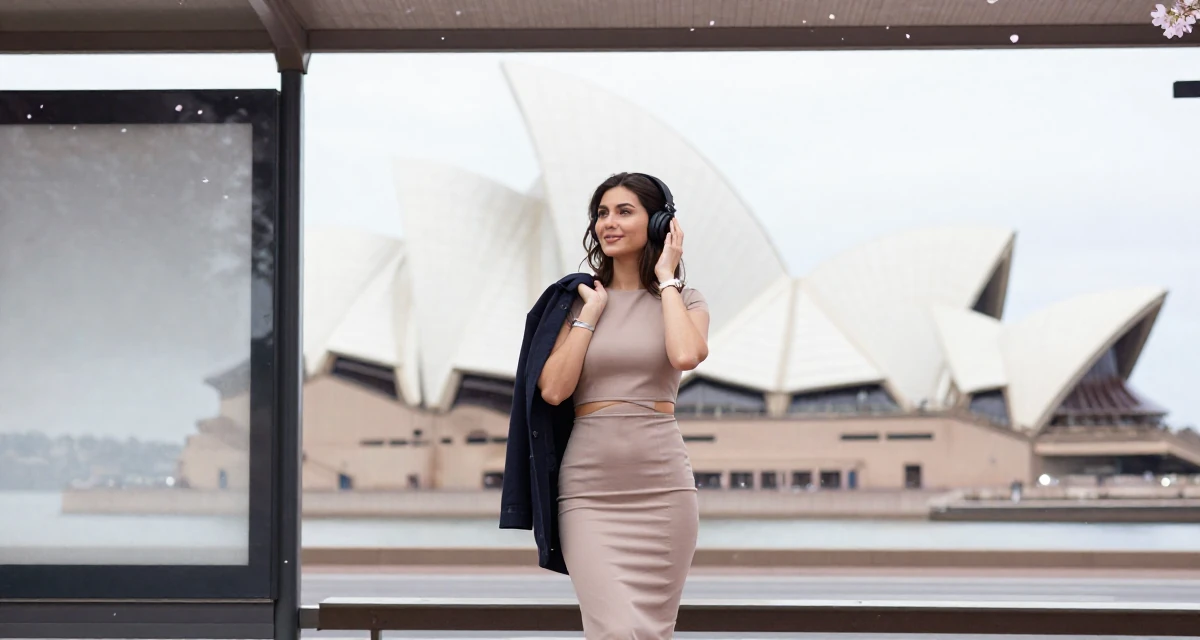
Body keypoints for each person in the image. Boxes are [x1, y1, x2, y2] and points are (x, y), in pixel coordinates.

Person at [537, 172, 711, 639]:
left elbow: (685, 355)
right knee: (614, 631)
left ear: (659, 223)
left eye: (624, 211)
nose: (608, 223)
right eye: (601, 213)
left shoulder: (686, 300)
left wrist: (666, 279)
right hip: (589, 494)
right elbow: (553, 390)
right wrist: (591, 315)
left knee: (651, 633)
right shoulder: (574, 304)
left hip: (663, 492)